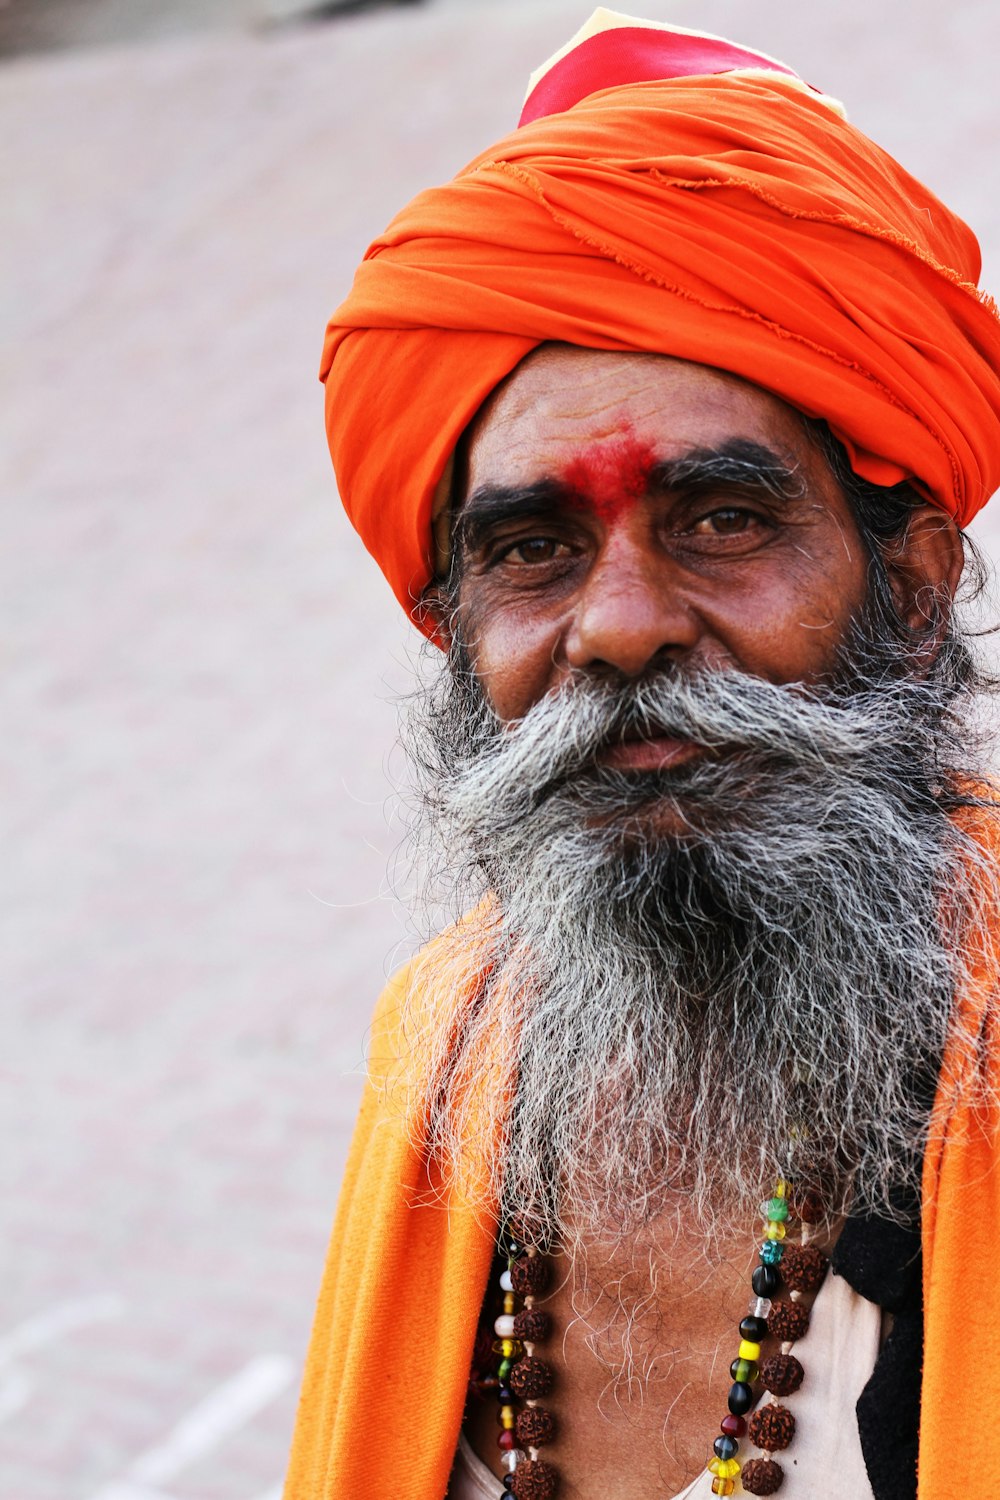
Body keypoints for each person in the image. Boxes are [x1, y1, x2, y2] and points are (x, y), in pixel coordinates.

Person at [283, 12, 1000, 1500]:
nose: (616, 629)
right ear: (459, 636)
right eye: (532, 548)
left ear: (916, 591)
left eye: (724, 519)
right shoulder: (445, 1045)